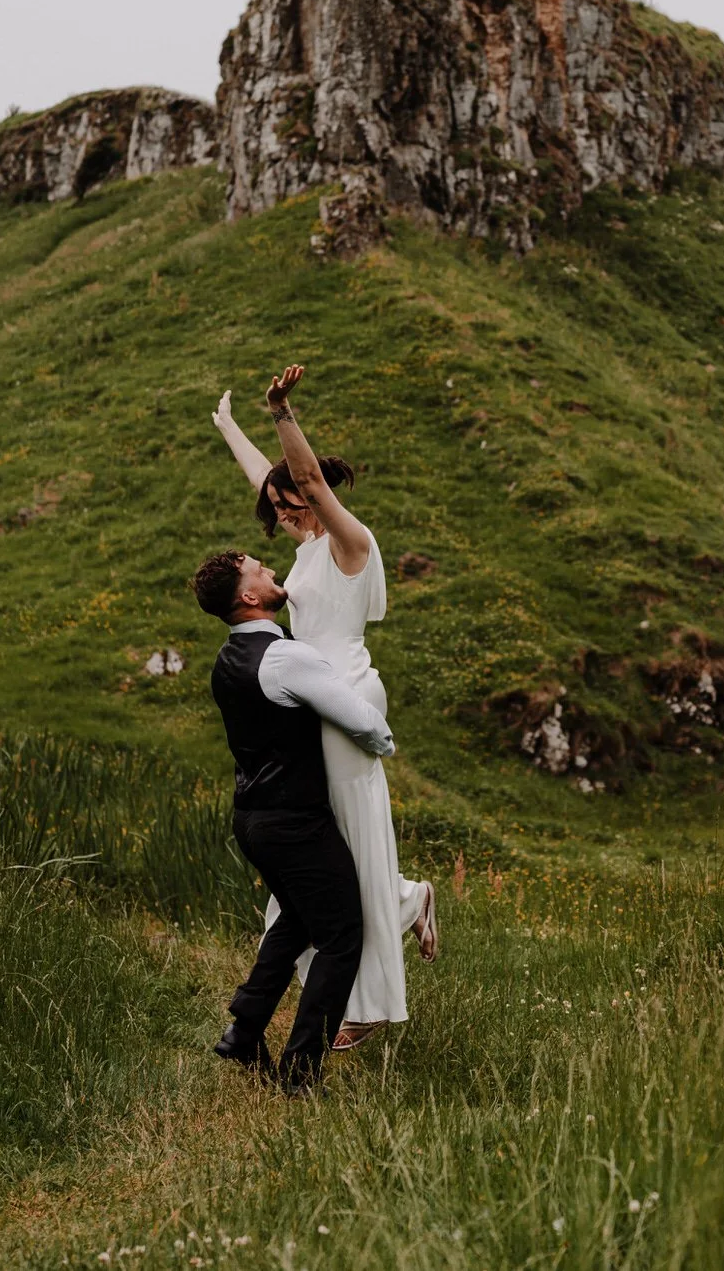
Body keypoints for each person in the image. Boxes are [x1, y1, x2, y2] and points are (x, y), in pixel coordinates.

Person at [213, 365, 437, 1053]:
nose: (280, 516)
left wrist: (281, 411)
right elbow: (273, 481)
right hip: (315, 699)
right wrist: (228, 427)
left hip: (346, 699)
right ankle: (405, 900)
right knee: (328, 846)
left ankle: (366, 1001)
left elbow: (305, 479)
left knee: (345, 843)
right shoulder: (308, 547)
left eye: (289, 506)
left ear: (313, 500)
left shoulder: (349, 542)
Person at [190, 548, 395, 1091]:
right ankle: (301, 1072)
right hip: (295, 822)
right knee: (342, 935)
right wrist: (384, 744)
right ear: (249, 596)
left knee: (299, 920)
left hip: (253, 820)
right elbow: (361, 720)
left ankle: (244, 1029)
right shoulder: (284, 658)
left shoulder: (227, 659)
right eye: (260, 571)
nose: (272, 571)